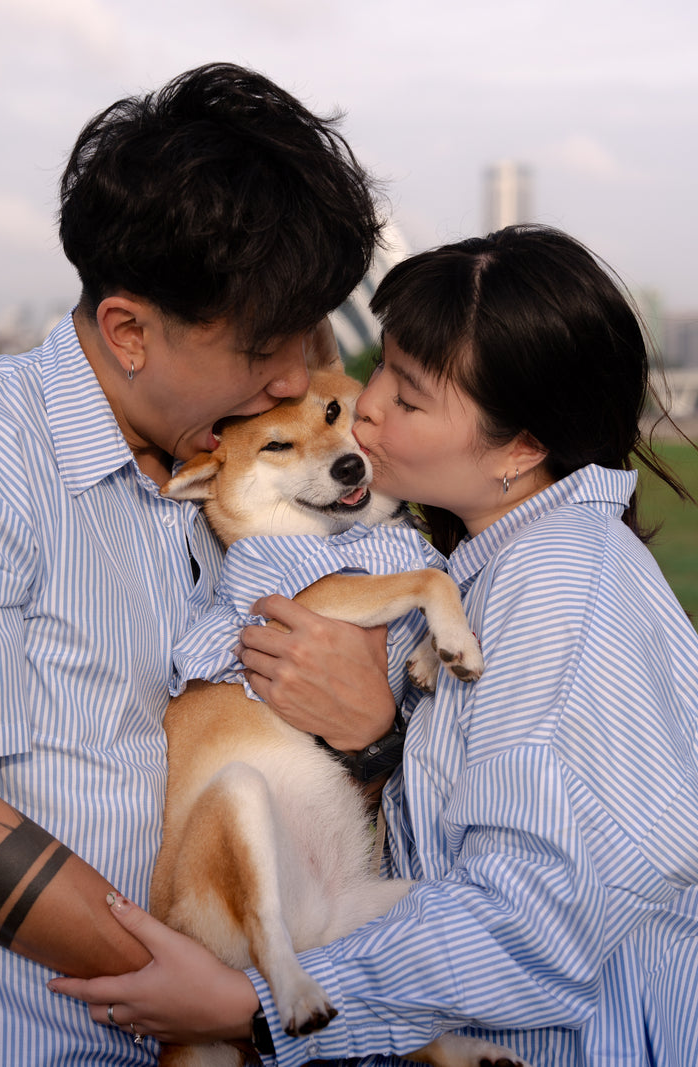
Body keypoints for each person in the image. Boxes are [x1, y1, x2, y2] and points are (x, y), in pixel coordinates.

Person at [49, 225, 698, 1067]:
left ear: (522, 447)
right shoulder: (475, 570)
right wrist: (374, 740)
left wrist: (251, 1005)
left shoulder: (558, 580)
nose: (370, 407)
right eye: (382, 367)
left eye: (412, 398)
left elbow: (541, 914)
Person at [0, 62, 397, 1066]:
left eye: (304, 337)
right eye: (263, 347)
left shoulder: (225, 463)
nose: (294, 380)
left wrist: (371, 738)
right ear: (128, 331)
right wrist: (233, 999)